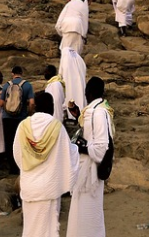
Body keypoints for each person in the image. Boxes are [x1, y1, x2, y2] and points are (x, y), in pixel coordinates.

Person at [13, 91, 79, 237]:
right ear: (52, 106)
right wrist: (77, 148)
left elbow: (17, 155)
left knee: (30, 229)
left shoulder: (23, 126)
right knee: (48, 230)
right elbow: (68, 154)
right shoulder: (57, 127)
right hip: (49, 187)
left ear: (35, 106)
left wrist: (29, 169)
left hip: (30, 186)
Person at [66, 77, 112, 237]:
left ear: (88, 92)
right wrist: (78, 114)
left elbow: (101, 147)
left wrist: (80, 147)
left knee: (88, 213)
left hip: (90, 172)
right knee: (83, 211)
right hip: (86, 169)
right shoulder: (97, 110)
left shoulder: (98, 113)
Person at [1, 66, 35, 175]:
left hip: (7, 118)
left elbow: (0, 103)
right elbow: (32, 103)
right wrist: (29, 113)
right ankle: (20, 166)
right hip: (21, 118)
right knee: (21, 142)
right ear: (21, 73)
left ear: (12, 73)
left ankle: (12, 168)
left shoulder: (7, 85)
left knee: (9, 142)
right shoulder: (27, 85)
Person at [59, 47, 88, 113]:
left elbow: (61, 73)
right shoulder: (79, 59)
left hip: (69, 84)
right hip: (80, 85)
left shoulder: (65, 58)